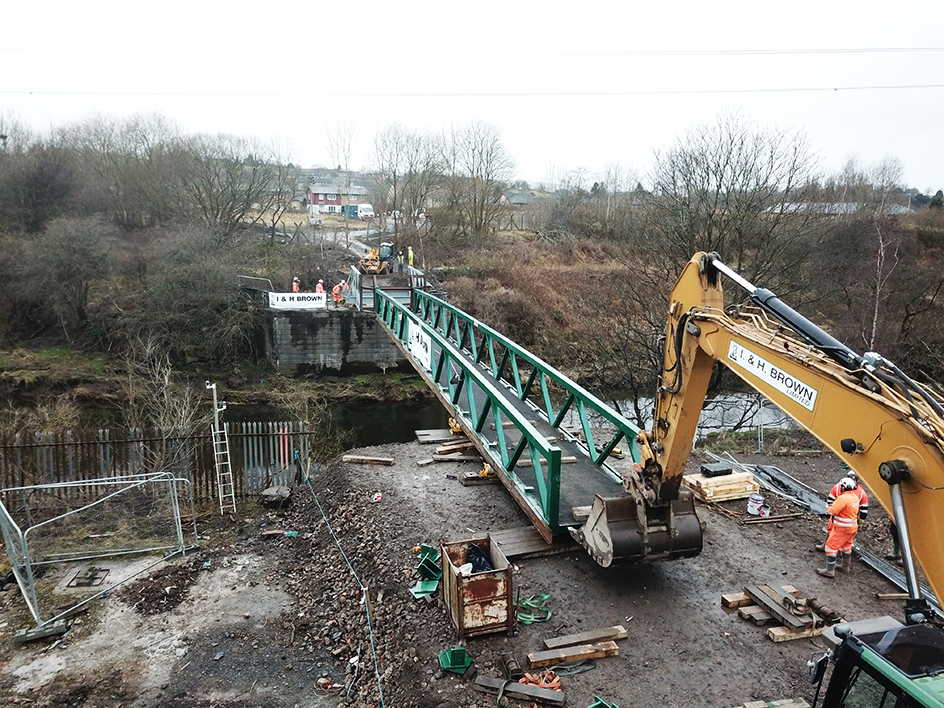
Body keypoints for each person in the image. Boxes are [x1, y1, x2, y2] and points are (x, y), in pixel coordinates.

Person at [816, 476, 860, 578]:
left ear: (843, 487)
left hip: (841, 528)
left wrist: (830, 508)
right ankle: (845, 567)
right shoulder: (855, 497)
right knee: (846, 546)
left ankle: (829, 570)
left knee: (831, 547)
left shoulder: (843, 498)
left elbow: (833, 511)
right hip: (852, 528)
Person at [816, 471, 869, 551]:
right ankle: (825, 546)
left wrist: (861, 519)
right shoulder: (837, 487)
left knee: (846, 538)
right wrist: (831, 511)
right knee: (831, 530)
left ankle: (840, 553)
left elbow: (864, 507)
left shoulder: (861, 493)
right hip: (836, 516)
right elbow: (830, 500)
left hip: (851, 519)